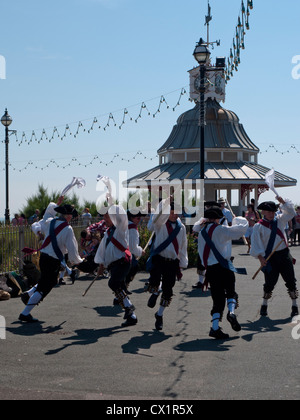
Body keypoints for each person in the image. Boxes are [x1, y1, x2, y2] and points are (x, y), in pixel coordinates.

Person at [19, 201, 83, 323]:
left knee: (47, 282)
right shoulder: (68, 229)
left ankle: (28, 297)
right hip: (52, 260)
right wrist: (78, 261)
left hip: (44, 257)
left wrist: (38, 232)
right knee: (44, 288)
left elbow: (35, 225)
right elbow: (72, 249)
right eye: (69, 214)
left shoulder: (50, 222)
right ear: (66, 215)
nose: (70, 216)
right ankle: (25, 313)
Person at [198, 206, 248, 339]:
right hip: (224, 266)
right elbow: (239, 231)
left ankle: (214, 328)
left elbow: (201, 253)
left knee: (217, 299)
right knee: (231, 292)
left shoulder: (201, 232)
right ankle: (231, 312)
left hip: (211, 269)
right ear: (218, 219)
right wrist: (238, 219)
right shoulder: (220, 229)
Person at [250, 197, 299, 318]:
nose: (272, 214)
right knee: (269, 284)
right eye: (269, 212)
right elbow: (256, 244)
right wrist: (261, 258)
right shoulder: (258, 226)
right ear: (263, 212)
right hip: (270, 258)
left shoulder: (280, 220)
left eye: (273, 211)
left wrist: (283, 202)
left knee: (291, 281)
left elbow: (291, 213)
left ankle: (295, 306)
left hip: (284, 255)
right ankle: (264, 305)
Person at [146, 200, 188, 331]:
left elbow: (183, 245)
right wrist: (164, 204)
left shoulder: (181, 227)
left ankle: (159, 315)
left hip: (172, 261)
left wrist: (182, 262)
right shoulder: (161, 223)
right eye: (171, 212)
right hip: (159, 258)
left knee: (168, 291)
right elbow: (152, 224)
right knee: (154, 281)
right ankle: (155, 291)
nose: (174, 215)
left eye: (176, 213)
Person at [94, 203, 138, 327]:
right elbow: (103, 250)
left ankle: (129, 308)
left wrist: (111, 202)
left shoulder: (121, 229)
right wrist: (101, 265)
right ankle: (131, 315)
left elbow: (122, 216)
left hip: (123, 262)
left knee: (113, 284)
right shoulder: (108, 233)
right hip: (114, 265)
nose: (105, 220)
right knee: (118, 287)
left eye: (107, 217)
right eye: (104, 217)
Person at [126, 209, 145, 293]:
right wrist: (141, 251)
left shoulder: (123, 226)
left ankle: (123, 290)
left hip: (121, 254)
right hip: (127, 255)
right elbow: (133, 247)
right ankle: (124, 288)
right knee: (134, 267)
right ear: (131, 218)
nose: (140, 219)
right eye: (138, 218)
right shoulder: (132, 229)